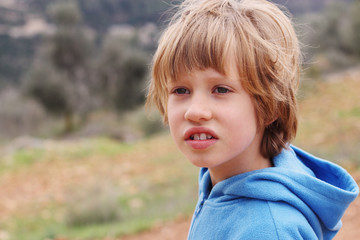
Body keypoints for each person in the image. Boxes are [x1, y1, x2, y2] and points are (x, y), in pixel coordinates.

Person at [146, 0, 359, 239]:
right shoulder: (221, 181)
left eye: (221, 89)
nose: (194, 112)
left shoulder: (266, 229)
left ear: (270, 106)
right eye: (181, 90)